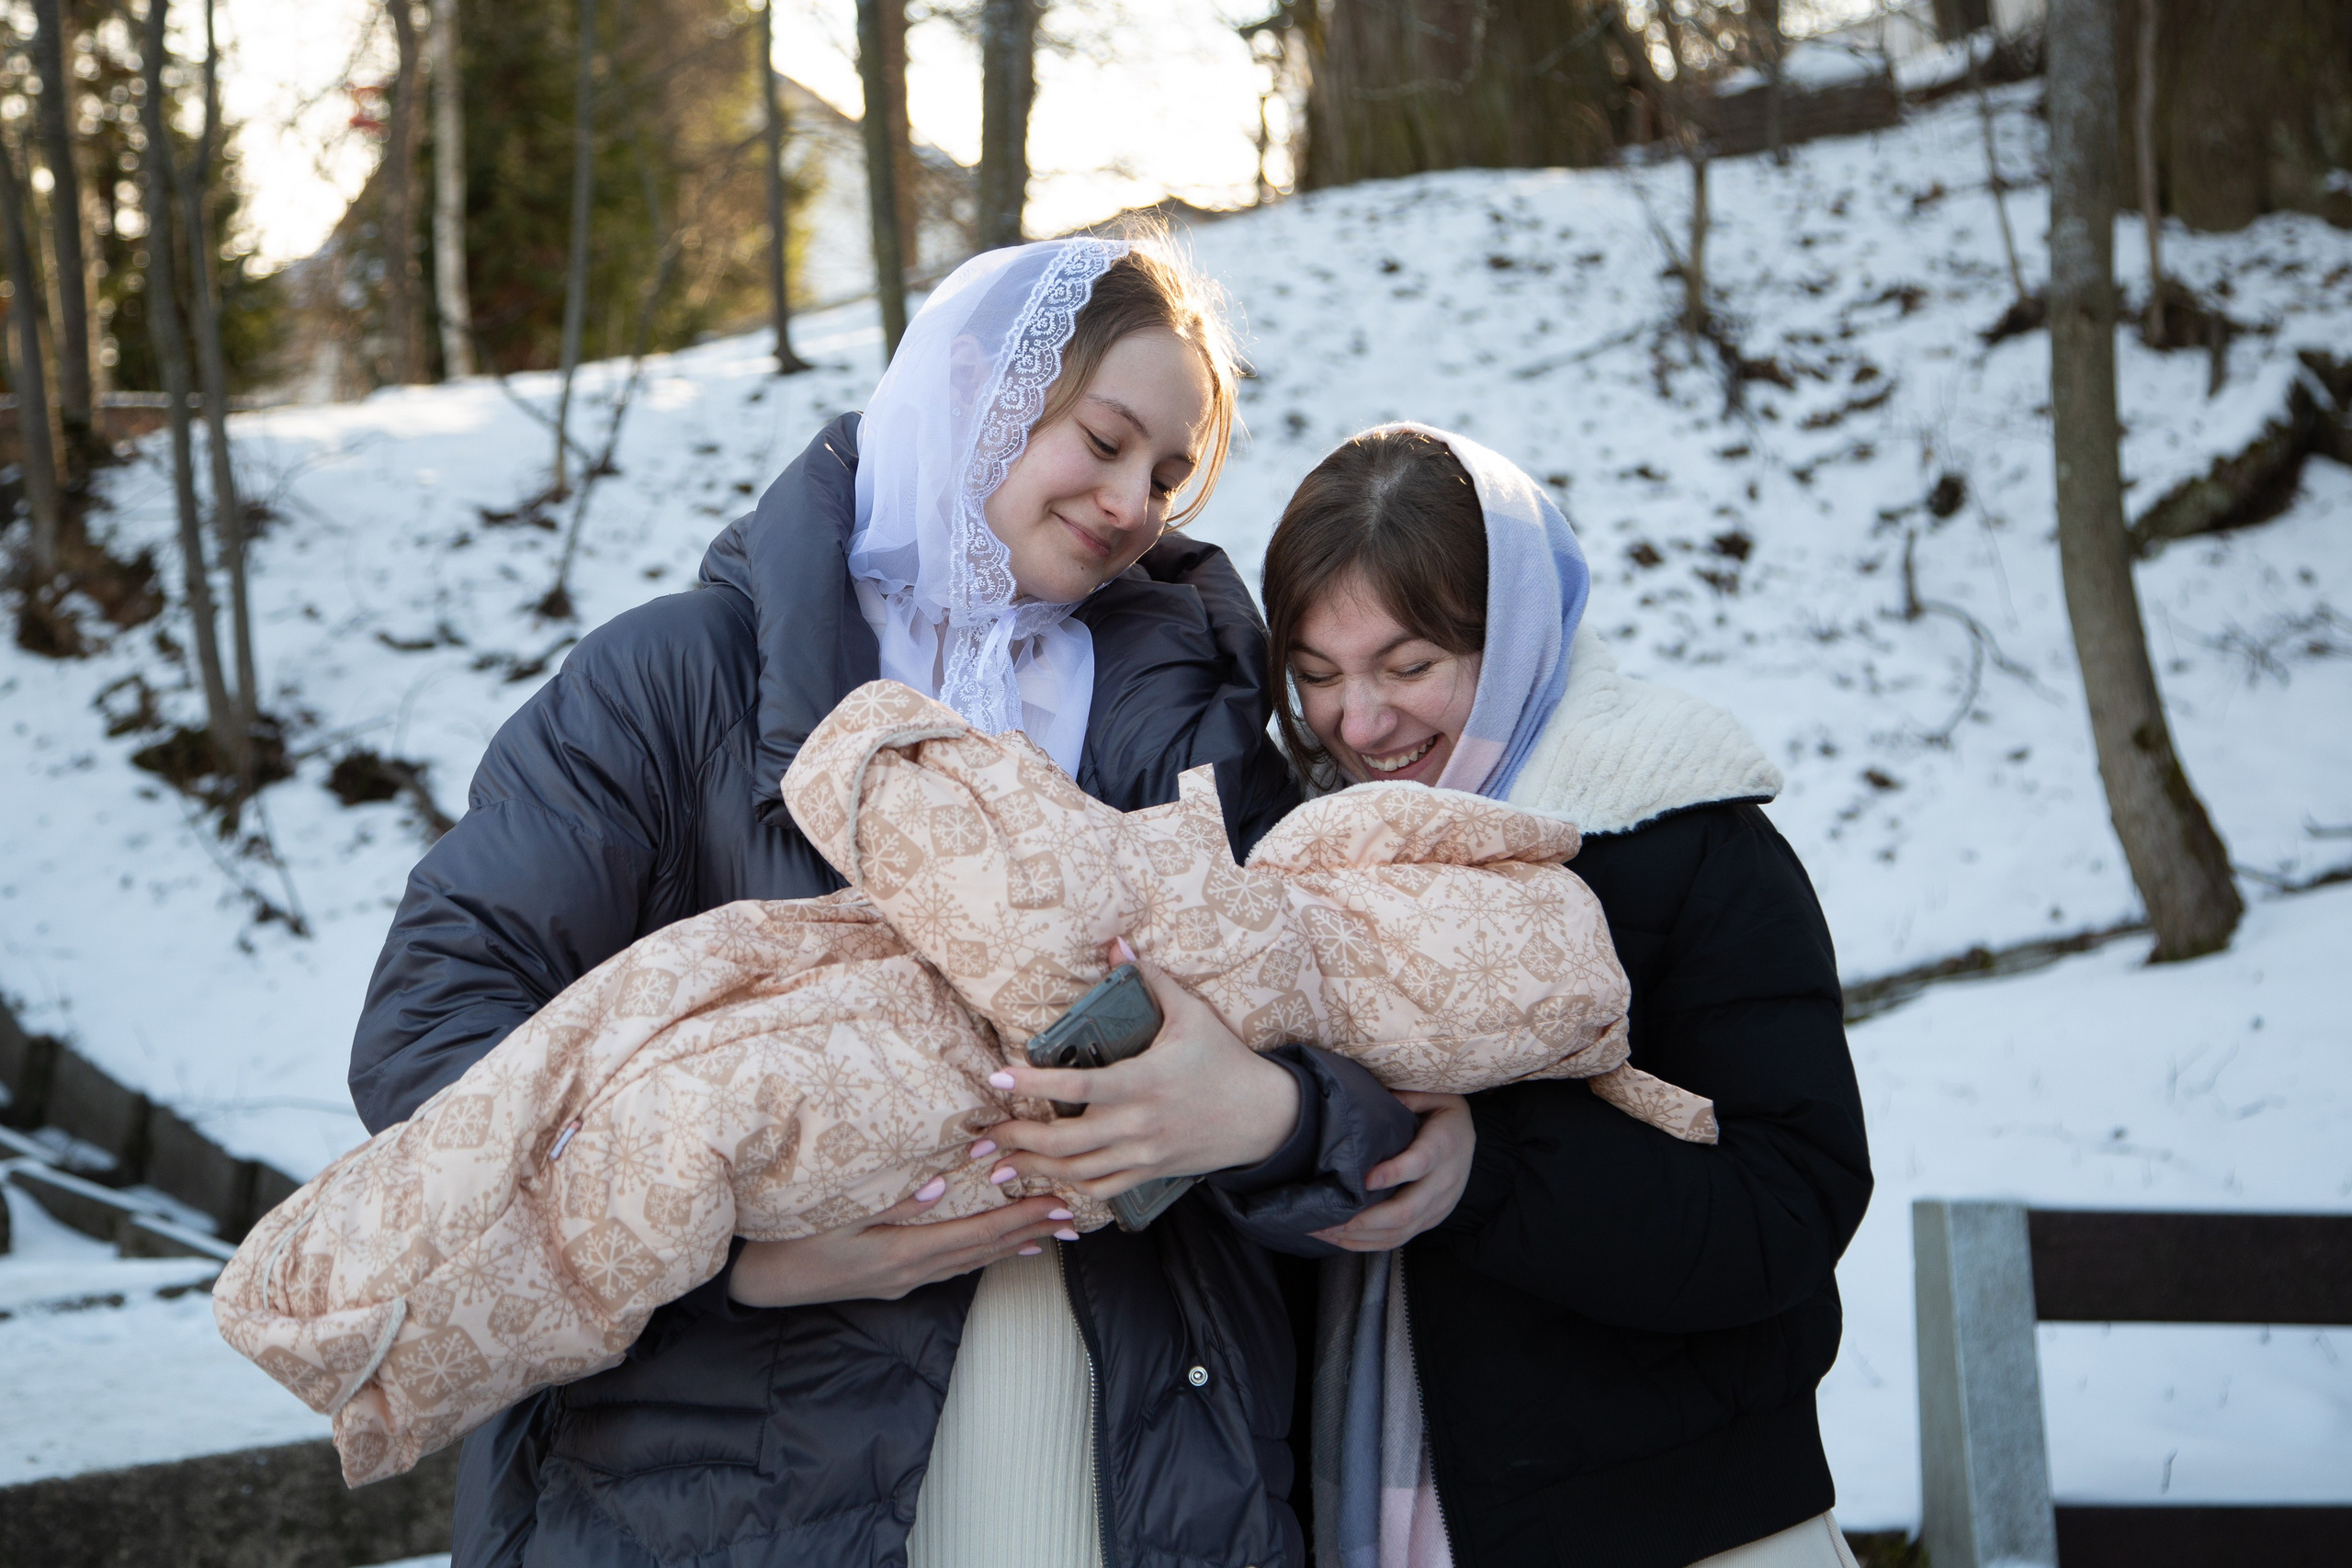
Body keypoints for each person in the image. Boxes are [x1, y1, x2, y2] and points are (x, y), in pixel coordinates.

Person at [345, 237, 1415, 1568]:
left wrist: (1268, 1111)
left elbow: (1368, 1039)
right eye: (1105, 436)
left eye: (1168, 472)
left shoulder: (1191, 729)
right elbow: (436, 1044)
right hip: (722, 1481)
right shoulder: (675, 684)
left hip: (1142, 1489)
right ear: (975, 380)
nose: (1134, 500)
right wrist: (745, 1252)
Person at [1249, 424, 1875, 1568]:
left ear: (1518, 637)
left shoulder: (1673, 832)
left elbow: (1792, 1203)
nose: (1359, 723)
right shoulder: (1304, 864)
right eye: (1318, 673)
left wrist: (1489, 1170)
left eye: (1409, 665)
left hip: (1679, 1527)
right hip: (1365, 1505)